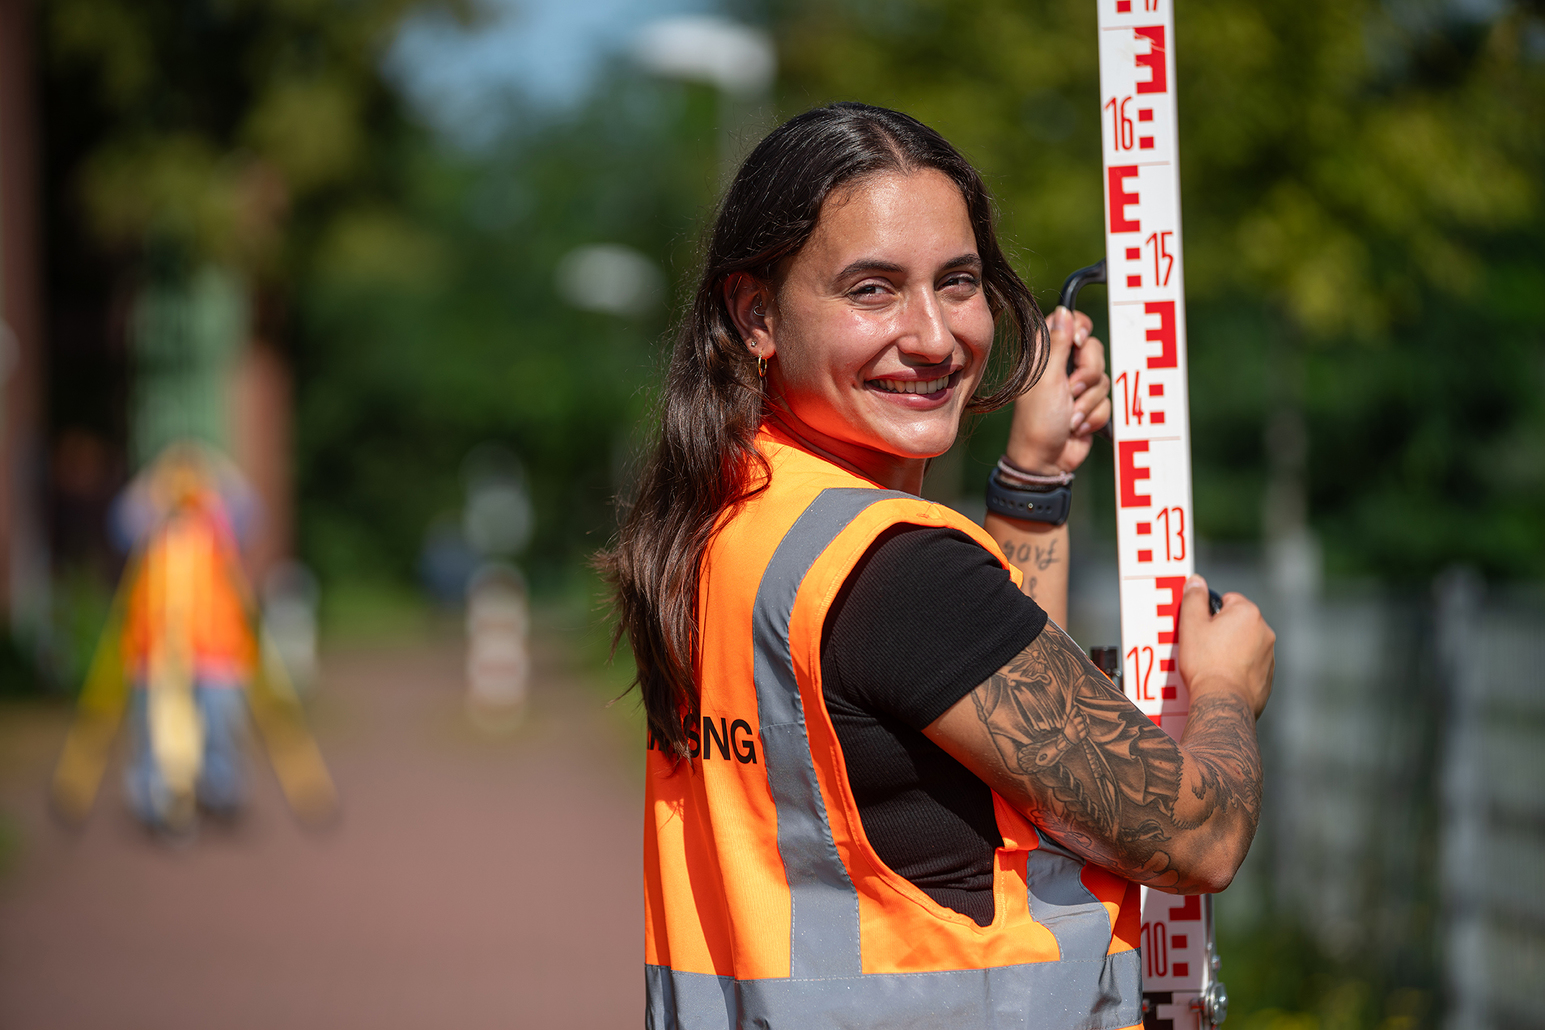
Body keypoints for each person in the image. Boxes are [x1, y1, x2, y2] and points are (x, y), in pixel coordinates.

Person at [603, 102, 1275, 1030]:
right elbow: (1196, 838)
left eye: (956, 283)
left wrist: (1030, 487)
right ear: (755, 314)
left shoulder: (724, 522)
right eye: (871, 290)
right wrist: (1225, 691)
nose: (931, 336)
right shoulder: (894, 573)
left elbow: (968, 732)